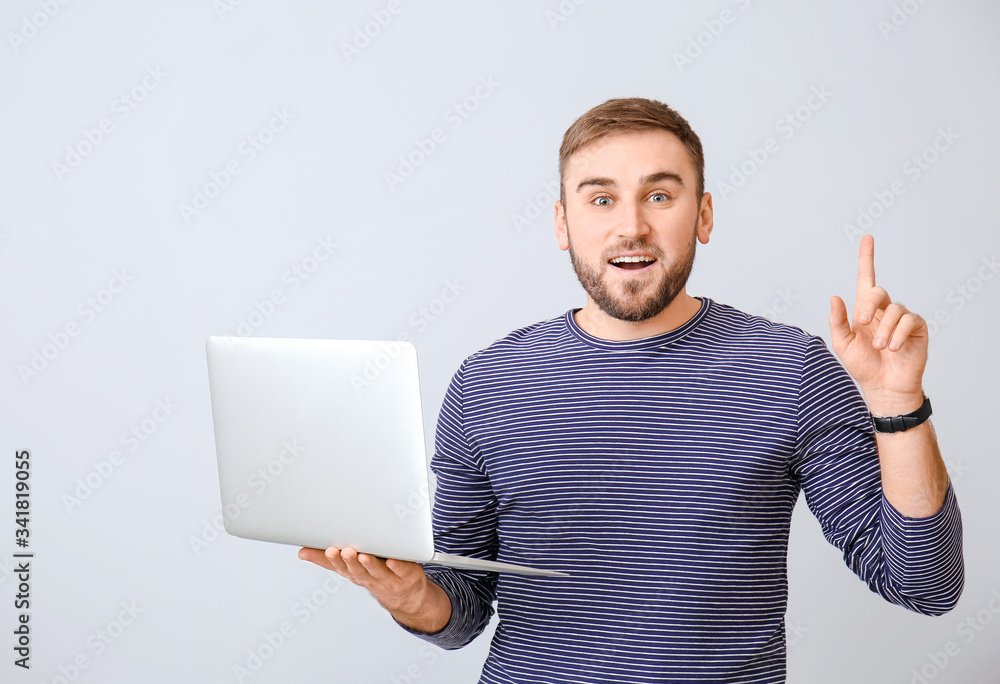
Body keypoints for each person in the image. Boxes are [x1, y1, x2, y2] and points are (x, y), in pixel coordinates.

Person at [299, 97, 964, 683]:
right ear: (563, 224)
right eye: (601, 198)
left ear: (702, 215)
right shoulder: (486, 385)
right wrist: (410, 597)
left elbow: (924, 585)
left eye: (659, 195)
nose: (631, 227)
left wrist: (897, 401)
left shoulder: (790, 369)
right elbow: (462, 604)